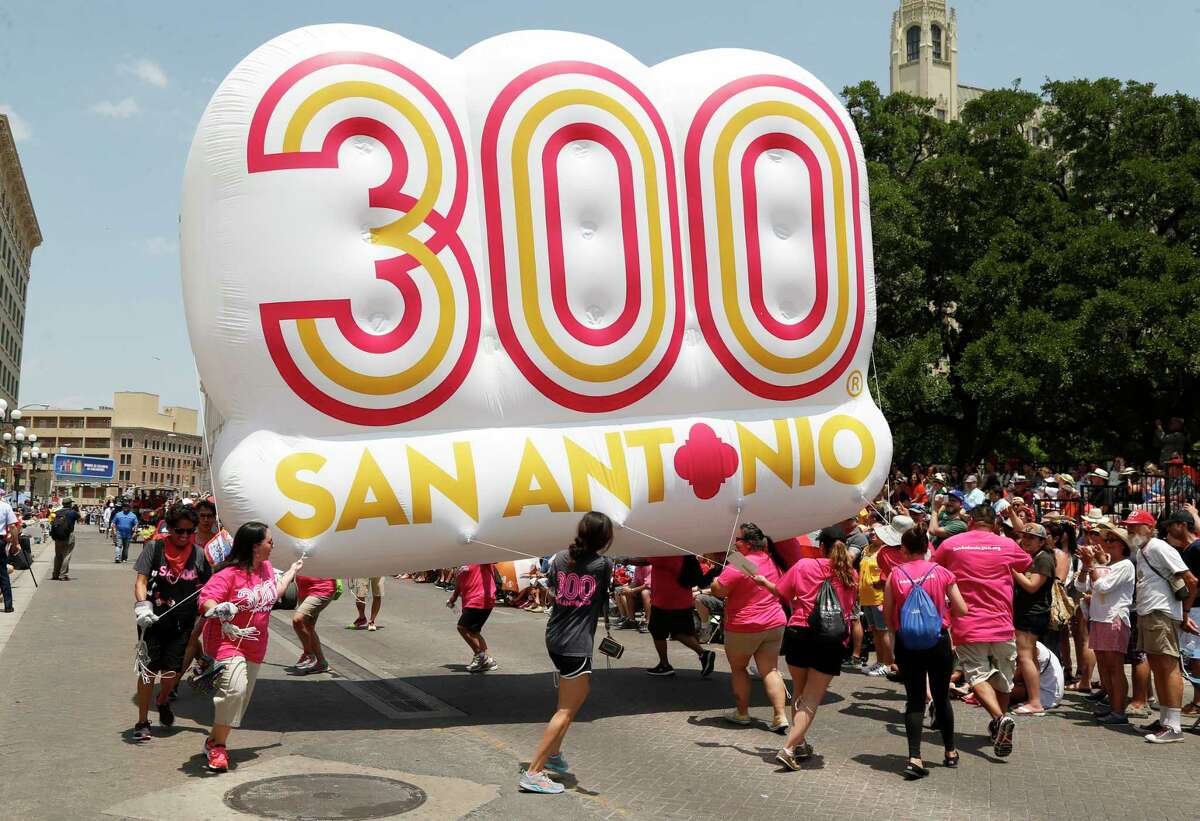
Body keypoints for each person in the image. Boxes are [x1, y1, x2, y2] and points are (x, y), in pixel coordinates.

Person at [519, 511, 614, 795]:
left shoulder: (560, 557)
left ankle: (555, 754)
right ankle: (534, 771)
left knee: (568, 701)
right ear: (605, 539)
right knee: (567, 709)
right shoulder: (603, 564)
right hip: (576, 644)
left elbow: (553, 585)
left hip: (555, 636)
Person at [199, 522, 303, 772]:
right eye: (269, 541)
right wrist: (219, 608)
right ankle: (219, 748)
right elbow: (206, 598)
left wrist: (291, 571)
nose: (272, 545)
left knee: (239, 700)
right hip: (228, 641)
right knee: (234, 691)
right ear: (255, 546)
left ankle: (213, 739)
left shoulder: (266, 568)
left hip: (256, 645)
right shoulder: (229, 574)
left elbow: (274, 593)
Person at [753, 527, 858, 770]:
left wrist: (764, 582)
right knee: (810, 700)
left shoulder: (803, 566)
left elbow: (781, 592)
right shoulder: (850, 574)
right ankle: (789, 747)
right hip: (830, 640)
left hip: (799, 632)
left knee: (799, 692)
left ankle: (798, 743)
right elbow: (849, 608)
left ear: (821, 546)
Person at [933, 505, 1030, 758]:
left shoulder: (953, 544)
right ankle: (1000, 722)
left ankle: (999, 718)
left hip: (968, 621)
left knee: (977, 675)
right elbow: (1026, 561)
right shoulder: (1005, 544)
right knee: (1005, 679)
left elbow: (934, 569)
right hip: (1002, 622)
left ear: (971, 521)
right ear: (995, 524)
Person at [883, 527, 968, 779]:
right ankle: (950, 752)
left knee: (915, 699)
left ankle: (915, 757)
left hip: (907, 644)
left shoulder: (894, 575)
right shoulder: (942, 573)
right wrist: (943, 614)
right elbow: (962, 609)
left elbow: (888, 616)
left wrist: (898, 634)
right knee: (941, 697)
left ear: (904, 550)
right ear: (927, 549)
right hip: (938, 640)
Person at [130, 505, 211, 741]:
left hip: (182, 623)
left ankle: (163, 699)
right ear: (169, 528)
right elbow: (141, 580)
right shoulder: (154, 548)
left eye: (190, 531)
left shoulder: (198, 554)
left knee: (170, 673)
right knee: (148, 671)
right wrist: (142, 605)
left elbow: (209, 588)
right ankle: (143, 721)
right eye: (179, 531)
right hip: (152, 620)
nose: (184, 536)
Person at [1125, 509, 1199, 743]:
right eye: (1129, 526)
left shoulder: (1157, 547)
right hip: (1151, 612)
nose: (1131, 530)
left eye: (1135, 526)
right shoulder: (1144, 549)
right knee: (1158, 665)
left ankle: (1174, 726)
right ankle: (1166, 720)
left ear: (1150, 527)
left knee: (1167, 666)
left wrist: (1185, 612)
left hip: (1162, 612)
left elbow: (1191, 580)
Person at [709, 523, 789, 732]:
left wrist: (717, 578)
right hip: (774, 622)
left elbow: (718, 590)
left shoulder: (741, 563)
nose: (735, 542)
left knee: (739, 668)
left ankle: (742, 713)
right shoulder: (772, 560)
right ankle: (780, 716)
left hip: (745, 626)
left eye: (738, 539)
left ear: (748, 543)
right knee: (771, 670)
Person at [1075, 523, 1135, 724]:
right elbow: (1081, 585)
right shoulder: (1107, 565)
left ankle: (1119, 711)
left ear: (1123, 545)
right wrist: (1086, 566)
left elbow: (1103, 586)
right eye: (1106, 539)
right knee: (1104, 667)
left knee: (1114, 667)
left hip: (1113, 619)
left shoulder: (1126, 565)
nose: (1106, 543)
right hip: (1099, 619)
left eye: (1112, 540)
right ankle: (1113, 707)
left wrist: (1092, 565)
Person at [1010, 523, 1057, 715]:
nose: (1026, 540)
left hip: (1033, 613)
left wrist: (1012, 570)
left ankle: (1035, 703)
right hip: (1026, 612)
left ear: (1041, 541)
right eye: (1024, 536)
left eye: (1031, 537)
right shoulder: (1032, 557)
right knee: (1028, 655)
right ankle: (1033, 698)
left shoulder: (1044, 558)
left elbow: (1032, 586)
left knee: (1025, 656)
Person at [642, 555, 717, 678]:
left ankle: (664, 665)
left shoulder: (666, 556)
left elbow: (646, 559)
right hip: (681, 599)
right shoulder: (683, 555)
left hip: (666, 601)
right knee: (678, 633)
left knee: (657, 631)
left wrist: (626, 559)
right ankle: (704, 654)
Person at [447, 563, 498, 672]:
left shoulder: (480, 559)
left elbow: (494, 557)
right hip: (469, 600)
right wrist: (453, 598)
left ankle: (481, 656)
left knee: (462, 627)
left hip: (481, 598)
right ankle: (489, 661)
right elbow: (460, 583)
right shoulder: (459, 564)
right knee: (473, 631)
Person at [291, 575, 335, 674]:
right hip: (304, 589)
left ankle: (309, 654)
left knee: (298, 620)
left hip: (322, 589)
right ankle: (321, 663)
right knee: (308, 626)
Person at [1008, 641, 1064, 712]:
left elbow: (1016, 678)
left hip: (1047, 695)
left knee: (999, 691)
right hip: (1051, 692)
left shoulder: (1024, 647)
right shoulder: (1027, 642)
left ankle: (1033, 703)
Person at [49, 500, 80, 581]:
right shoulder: (72, 512)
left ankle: (55, 574)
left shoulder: (56, 512)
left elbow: (51, 522)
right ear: (70, 504)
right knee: (66, 555)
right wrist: (77, 510)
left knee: (58, 555)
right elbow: (81, 518)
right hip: (68, 535)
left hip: (57, 536)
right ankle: (62, 575)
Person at [0, 496, 19, 613]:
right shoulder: (5, 507)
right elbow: (13, 526)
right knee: (3, 574)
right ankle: (8, 605)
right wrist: (15, 542)